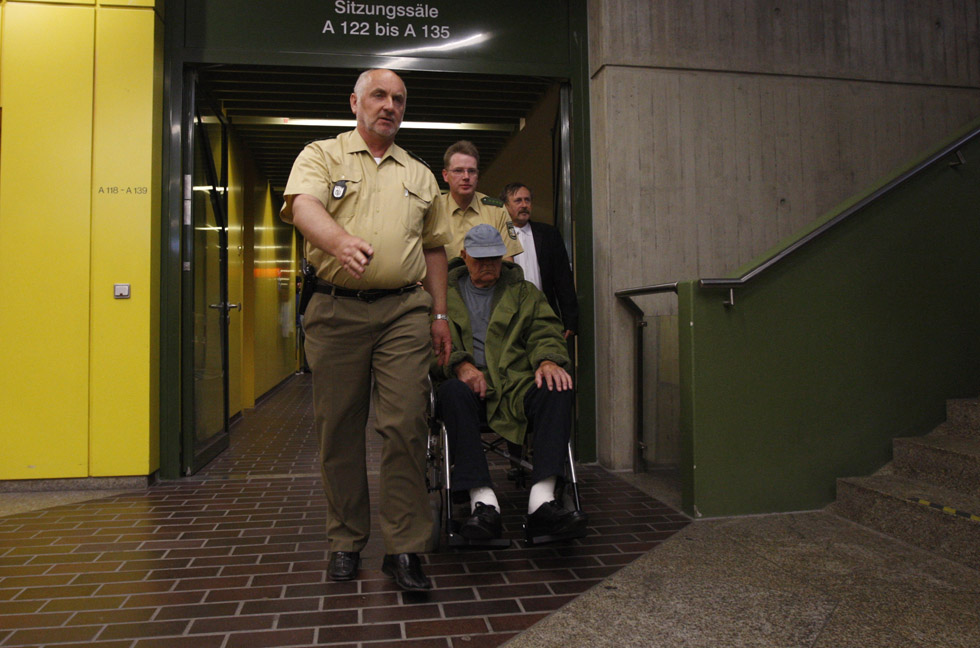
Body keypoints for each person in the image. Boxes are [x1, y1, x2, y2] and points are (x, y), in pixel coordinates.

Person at [280, 68, 451, 592]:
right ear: (354, 102)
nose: (389, 105)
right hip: (336, 310)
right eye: (379, 95)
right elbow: (303, 206)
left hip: (403, 311)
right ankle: (345, 539)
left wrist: (440, 314)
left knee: (405, 424)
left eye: (399, 98)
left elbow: (434, 248)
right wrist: (339, 242)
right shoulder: (321, 155)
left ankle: (404, 548)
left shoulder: (420, 174)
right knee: (339, 429)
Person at [432, 224, 588, 542]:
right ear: (464, 256)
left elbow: (545, 330)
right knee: (451, 392)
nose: (488, 265)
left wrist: (547, 360)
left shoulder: (524, 292)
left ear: (503, 257)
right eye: (479, 259)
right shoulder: (443, 297)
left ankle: (542, 500)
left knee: (557, 386)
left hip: (515, 384)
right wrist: (460, 364)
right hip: (467, 386)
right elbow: (429, 344)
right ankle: (483, 502)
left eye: (493, 258)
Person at [501, 182, 578, 339]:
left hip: (544, 314)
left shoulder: (549, 234)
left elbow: (563, 278)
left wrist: (570, 319)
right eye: (518, 201)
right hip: (509, 316)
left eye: (527, 200)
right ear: (506, 206)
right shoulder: (498, 235)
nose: (524, 205)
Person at [435, 140, 523, 261]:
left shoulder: (496, 210)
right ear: (445, 175)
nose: (466, 177)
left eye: (471, 171)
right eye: (458, 170)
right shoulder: (434, 209)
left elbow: (507, 260)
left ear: (477, 175)